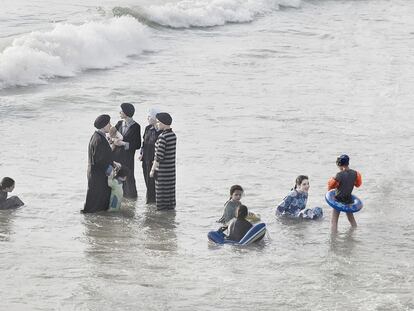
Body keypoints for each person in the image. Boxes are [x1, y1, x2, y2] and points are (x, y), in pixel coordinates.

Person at [82, 114, 114, 213]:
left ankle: (96, 220)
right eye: (109, 123)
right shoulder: (99, 139)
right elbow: (100, 160)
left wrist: (113, 163)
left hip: (95, 172)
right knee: (97, 200)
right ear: (104, 125)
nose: (110, 125)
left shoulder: (97, 136)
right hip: (98, 174)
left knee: (95, 198)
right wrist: (110, 171)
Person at [112, 103, 141, 199]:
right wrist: (114, 141)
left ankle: (132, 200)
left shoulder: (136, 126)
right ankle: (120, 198)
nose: (120, 112)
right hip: (116, 156)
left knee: (129, 178)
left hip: (128, 157)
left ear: (126, 112)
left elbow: (137, 145)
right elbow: (111, 136)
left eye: (121, 110)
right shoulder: (119, 123)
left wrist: (124, 144)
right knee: (117, 178)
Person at [150, 112, 177, 210]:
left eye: (158, 122)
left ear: (163, 123)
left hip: (162, 172)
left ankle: (162, 219)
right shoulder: (173, 135)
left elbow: (158, 157)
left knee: (161, 197)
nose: (157, 124)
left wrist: (152, 170)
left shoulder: (162, 137)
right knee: (170, 195)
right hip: (171, 171)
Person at [328, 154, 362, 231]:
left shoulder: (338, 175)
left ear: (339, 164)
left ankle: (334, 238)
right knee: (351, 218)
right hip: (348, 199)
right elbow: (358, 184)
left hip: (338, 200)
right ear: (348, 163)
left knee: (334, 221)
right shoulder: (356, 174)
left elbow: (330, 187)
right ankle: (355, 232)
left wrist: (333, 179)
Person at [140, 108, 161, 203]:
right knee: (147, 181)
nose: (147, 118)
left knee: (153, 182)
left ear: (155, 118)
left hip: (154, 160)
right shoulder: (147, 128)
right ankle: (149, 202)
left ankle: (152, 202)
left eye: (149, 116)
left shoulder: (160, 131)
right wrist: (141, 153)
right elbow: (144, 142)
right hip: (145, 159)